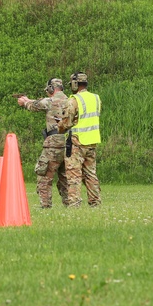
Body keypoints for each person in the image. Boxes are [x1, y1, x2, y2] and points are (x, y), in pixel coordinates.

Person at [17, 78, 70, 209]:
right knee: (65, 177)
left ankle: (45, 205)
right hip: (69, 142)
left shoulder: (50, 101)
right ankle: (70, 204)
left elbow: (35, 105)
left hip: (53, 143)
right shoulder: (70, 100)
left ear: (51, 88)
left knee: (44, 176)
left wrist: (24, 102)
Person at [59, 71, 101, 207]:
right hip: (92, 141)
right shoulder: (96, 98)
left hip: (77, 142)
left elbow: (66, 123)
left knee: (73, 174)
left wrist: (58, 127)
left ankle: (74, 203)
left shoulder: (73, 100)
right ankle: (95, 202)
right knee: (91, 174)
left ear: (76, 84)